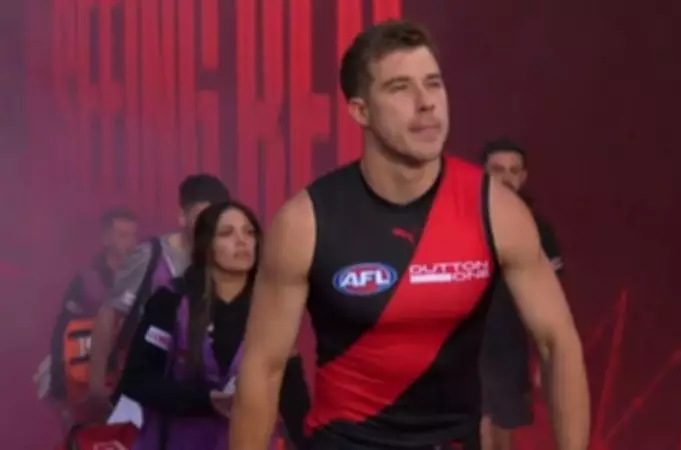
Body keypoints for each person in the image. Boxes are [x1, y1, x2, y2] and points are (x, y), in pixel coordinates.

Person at [231, 19, 590, 450]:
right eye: (400, 88)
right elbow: (264, 368)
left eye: (433, 83)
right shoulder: (305, 222)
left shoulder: (497, 211)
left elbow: (557, 342)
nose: (426, 103)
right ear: (360, 111)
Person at [118, 201, 310, 450]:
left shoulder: (273, 309)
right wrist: (206, 400)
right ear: (206, 245)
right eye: (227, 233)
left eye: (249, 232)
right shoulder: (170, 301)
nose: (242, 241)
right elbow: (137, 381)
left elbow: (293, 395)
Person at [87, 174, 231, 415]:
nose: (210, 225)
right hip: (147, 386)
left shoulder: (224, 261)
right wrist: (96, 382)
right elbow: (108, 315)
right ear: (182, 216)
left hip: (200, 389)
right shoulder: (150, 256)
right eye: (202, 216)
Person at [480, 140, 565, 450]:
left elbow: (552, 304)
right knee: (477, 430)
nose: (506, 178)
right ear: (483, 173)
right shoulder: (457, 224)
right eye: (497, 170)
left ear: (523, 176)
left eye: (514, 171)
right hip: (465, 348)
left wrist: (547, 358)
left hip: (511, 349)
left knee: (504, 433)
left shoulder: (539, 232)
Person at [45, 207, 139, 428]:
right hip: (87, 384)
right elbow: (62, 334)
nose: (131, 243)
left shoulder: (145, 278)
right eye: (123, 236)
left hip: (130, 384)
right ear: (106, 239)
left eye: (134, 236)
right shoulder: (87, 281)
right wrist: (60, 392)